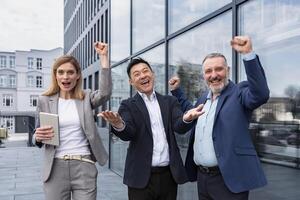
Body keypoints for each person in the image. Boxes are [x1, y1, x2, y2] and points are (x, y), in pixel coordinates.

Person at [169, 36, 269, 200]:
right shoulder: (203, 99)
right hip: (203, 178)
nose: (214, 75)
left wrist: (248, 54)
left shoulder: (239, 92)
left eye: (219, 69)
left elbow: (260, 94)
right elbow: (190, 111)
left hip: (229, 179)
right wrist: (177, 91)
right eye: (208, 71)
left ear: (228, 70)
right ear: (204, 76)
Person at [98, 58, 204, 200]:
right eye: (136, 74)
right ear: (131, 82)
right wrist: (118, 123)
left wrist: (187, 118)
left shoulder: (169, 101)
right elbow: (129, 132)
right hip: (140, 178)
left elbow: (179, 126)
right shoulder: (128, 105)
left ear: (152, 74)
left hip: (168, 176)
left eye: (145, 71)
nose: (142, 76)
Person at [33, 42, 112, 200]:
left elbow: (105, 93)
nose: (65, 76)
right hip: (55, 167)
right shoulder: (44, 100)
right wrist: (37, 137)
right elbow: (37, 134)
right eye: (61, 72)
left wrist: (104, 58)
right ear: (55, 75)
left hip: (83, 165)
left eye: (70, 72)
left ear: (77, 76)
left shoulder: (86, 97)